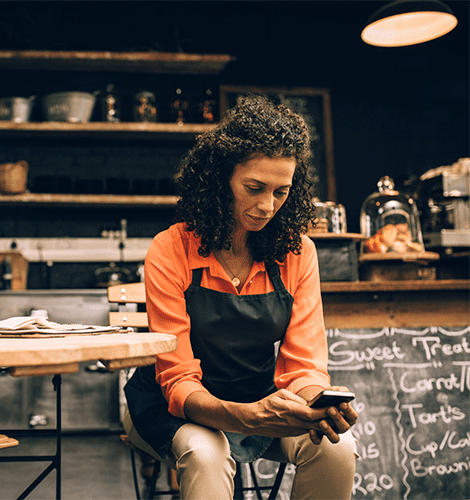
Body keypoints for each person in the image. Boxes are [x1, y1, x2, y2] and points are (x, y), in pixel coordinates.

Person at [123, 94, 358, 500]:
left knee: (338, 448)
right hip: (172, 406)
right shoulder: (171, 249)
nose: (267, 206)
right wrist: (248, 417)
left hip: (258, 399)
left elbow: (303, 366)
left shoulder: (298, 252)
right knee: (206, 452)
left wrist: (315, 403)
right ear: (221, 179)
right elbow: (178, 382)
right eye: (254, 188)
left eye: (281, 192)